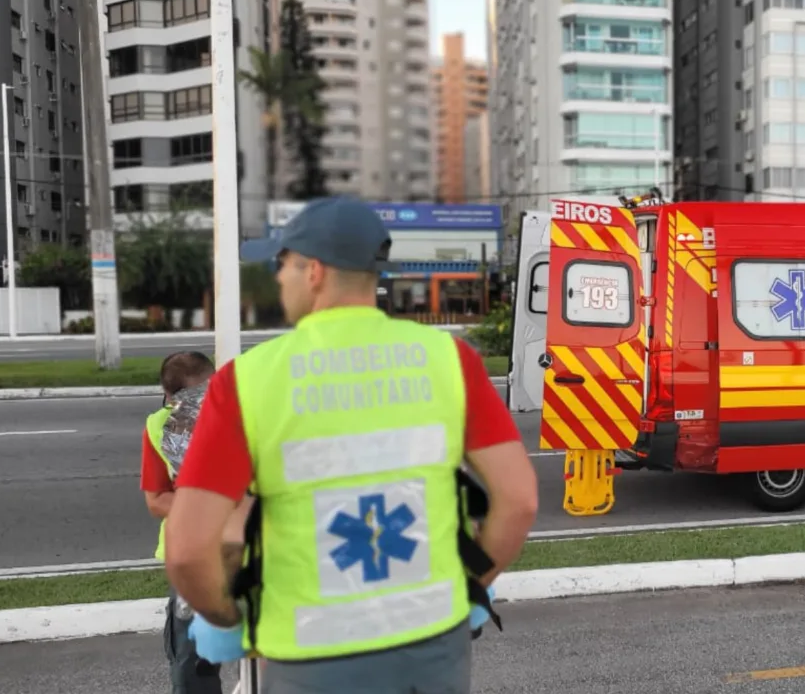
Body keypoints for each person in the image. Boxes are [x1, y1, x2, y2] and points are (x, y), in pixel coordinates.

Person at [163, 196, 539, 694]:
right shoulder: (450, 359)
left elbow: (189, 551)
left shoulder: (247, 381)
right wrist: (471, 588)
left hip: (307, 659)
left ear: (313, 271)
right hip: (433, 648)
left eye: (282, 264)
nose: (277, 279)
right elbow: (518, 501)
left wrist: (231, 622)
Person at [140, 350, 222, 694]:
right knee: (193, 663)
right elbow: (157, 499)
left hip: (253, 551)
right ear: (171, 398)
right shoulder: (158, 428)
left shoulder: (240, 418)